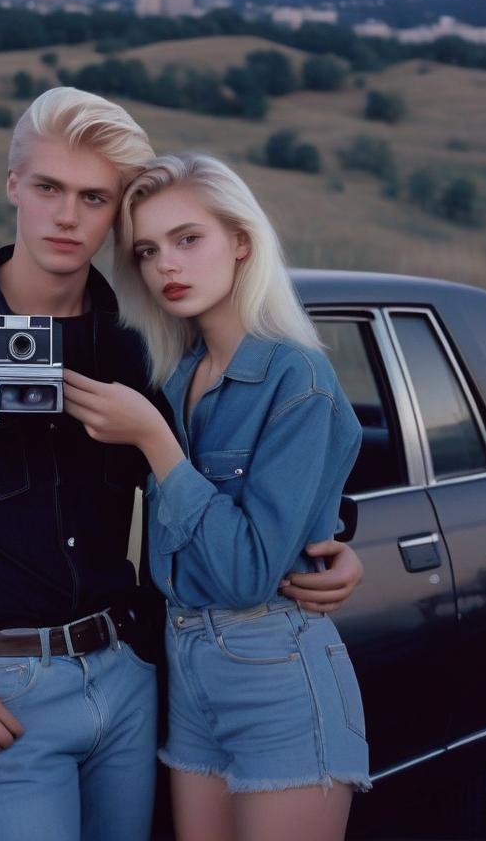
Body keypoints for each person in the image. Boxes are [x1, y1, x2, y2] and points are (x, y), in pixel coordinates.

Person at [0, 90, 364, 841]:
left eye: (94, 199)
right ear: (13, 184)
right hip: (8, 695)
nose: (67, 216)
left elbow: (242, 472)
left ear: (114, 214)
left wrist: (337, 541)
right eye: (49, 188)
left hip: (137, 678)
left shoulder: (144, 350)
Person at [62, 152, 371, 841]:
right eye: (147, 250)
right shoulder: (179, 381)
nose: (166, 265)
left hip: (276, 670)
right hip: (189, 670)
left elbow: (246, 572)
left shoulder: (299, 378)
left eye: (187, 239)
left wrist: (156, 444)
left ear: (241, 241)